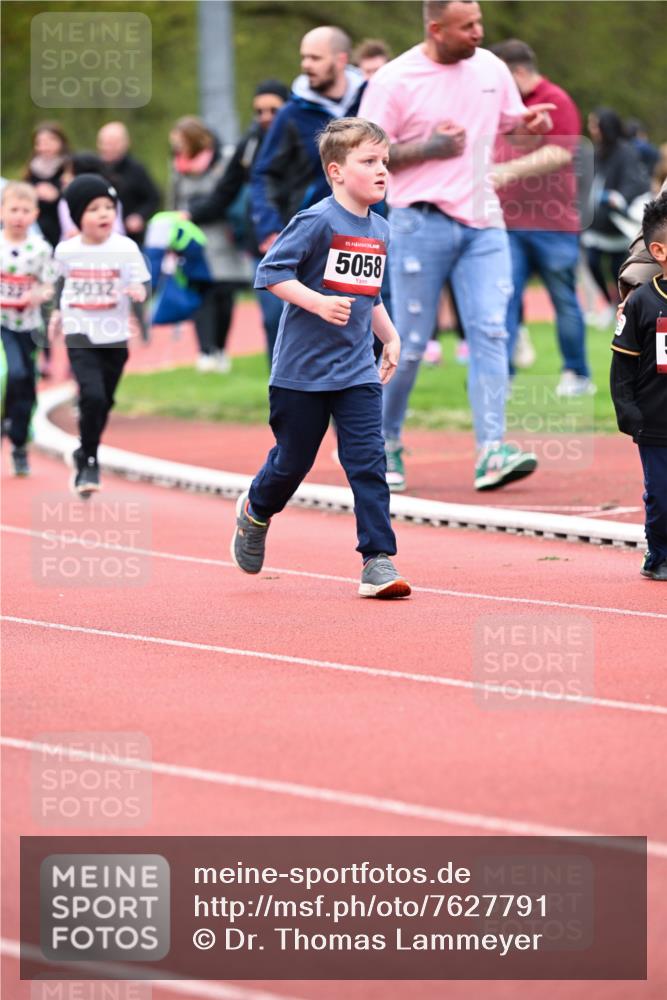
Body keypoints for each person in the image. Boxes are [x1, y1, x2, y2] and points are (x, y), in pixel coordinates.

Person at [360, 0, 554, 492]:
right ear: (436, 28)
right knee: (410, 345)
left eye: (480, 23)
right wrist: (429, 148)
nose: (478, 32)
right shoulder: (394, 80)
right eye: (467, 26)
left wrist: (526, 126)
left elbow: (508, 120)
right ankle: (383, 442)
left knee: (491, 331)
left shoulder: (490, 67)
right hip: (418, 221)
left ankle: (492, 450)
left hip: (484, 219)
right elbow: (364, 157)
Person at [231, 118, 410, 600]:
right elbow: (271, 274)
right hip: (301, 374)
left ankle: (377, 560)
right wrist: (315, 301)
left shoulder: (381, 229)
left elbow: (367, 295)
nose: (381, 172)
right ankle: (256, 510)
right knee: (292, 462)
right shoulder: (316, 221)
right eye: (368, 162)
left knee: (369, 461)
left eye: (385, 163)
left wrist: (390, 338)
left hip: (356, 371)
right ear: (336, 171)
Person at [490, 39, 594, 397]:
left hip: (554, 223)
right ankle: (502, 374)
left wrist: (504, 171)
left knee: (563, 300)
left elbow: (559, 152)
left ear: (518, 71)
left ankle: (576, 373)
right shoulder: (502, 106)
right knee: (504, 300)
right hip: (507, 223)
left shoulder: (557, 99)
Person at [50, 174, 149, 496]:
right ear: (79, 216)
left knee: (103, 400)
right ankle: (90, 459)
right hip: (80, 332)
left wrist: (138, 292)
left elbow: (142, 281)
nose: (104, 214)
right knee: (91, 395)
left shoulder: (125, 247)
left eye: (109, 207)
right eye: (94, 209)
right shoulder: (66, 251)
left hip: (115, 333)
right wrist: (55, 312)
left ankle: (83, 450)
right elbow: (59, 283)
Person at [186, 80, 290, 364]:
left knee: (309, 321)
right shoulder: (250, 144)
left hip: (303, 240)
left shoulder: (305, 138)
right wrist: (193, 214)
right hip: (265, 244)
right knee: (272, 317)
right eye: (259, 111)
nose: (266, 117)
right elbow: (225, 189)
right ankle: (279, 382)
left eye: (273, 110)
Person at [251, 26, 366, 255]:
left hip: (371, 232)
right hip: (315, 235)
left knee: (375, 293)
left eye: (315, 58)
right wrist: (269, 227)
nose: (306, 65)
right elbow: (264, 174)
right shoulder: (291, 114)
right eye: (304, 57)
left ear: (341, 60)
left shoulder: (371, 100)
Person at [610, 193, 667, 581]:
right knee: (662, 494)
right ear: (660, 251)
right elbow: (622, 365)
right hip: (656, 420)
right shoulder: (644, 303)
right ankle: (659, 552)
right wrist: (627, 408)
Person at [168, 116, 253, 374]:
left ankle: (220, 348)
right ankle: (205, 351)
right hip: (192, 239)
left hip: (222, 236)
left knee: (223, 293)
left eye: (181, 142)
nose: (177, 147)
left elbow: (226, 197)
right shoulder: (178, 166)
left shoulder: (223, 161)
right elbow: (173, 200)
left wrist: (194, 211)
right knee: (200, 293)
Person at [1, 182, 56, 476]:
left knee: (26, 384)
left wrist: (37, 295)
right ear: (2, 212)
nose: (19, 216)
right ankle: (5, 423)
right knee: (12, 372)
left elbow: (49, 284)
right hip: (1, 325)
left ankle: (19, 442)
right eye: (13, 210)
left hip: (28, 326)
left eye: (25, 211)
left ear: (34, 214)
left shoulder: (40, 248)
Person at [581, 108, 650, 317]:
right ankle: (610, 304)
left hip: (618, 223)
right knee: (592, 261)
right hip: (598, 222)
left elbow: (635, 182)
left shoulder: (625, 152)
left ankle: (621, 308)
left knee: (618, 269)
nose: (591, 129)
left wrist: (619, 197)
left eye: (594, 124)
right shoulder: (597, 152)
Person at [96, 122, 160, 245]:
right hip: (99, 237)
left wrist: (139, 216)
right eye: (104, 143)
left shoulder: (136, 169)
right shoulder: (92, 168)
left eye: (113, 143)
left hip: (130, 237)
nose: (107, 147)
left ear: (125, 143)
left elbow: (153, 197)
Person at [23, 121, 70, 247]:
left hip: (61, 229)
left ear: (61, 142)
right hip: (36, 231)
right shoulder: (30, 169)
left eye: (50, 141)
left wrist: (58, 195)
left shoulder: (70, 167)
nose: (45, 146)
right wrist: (33, 192)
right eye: (40, 143)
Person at [58, 153, 126, 240]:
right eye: (93, 209)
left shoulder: (110, 198)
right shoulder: (65, 202)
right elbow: (69, 233)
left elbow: (118, 230)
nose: (63, 177)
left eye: (69, 173)